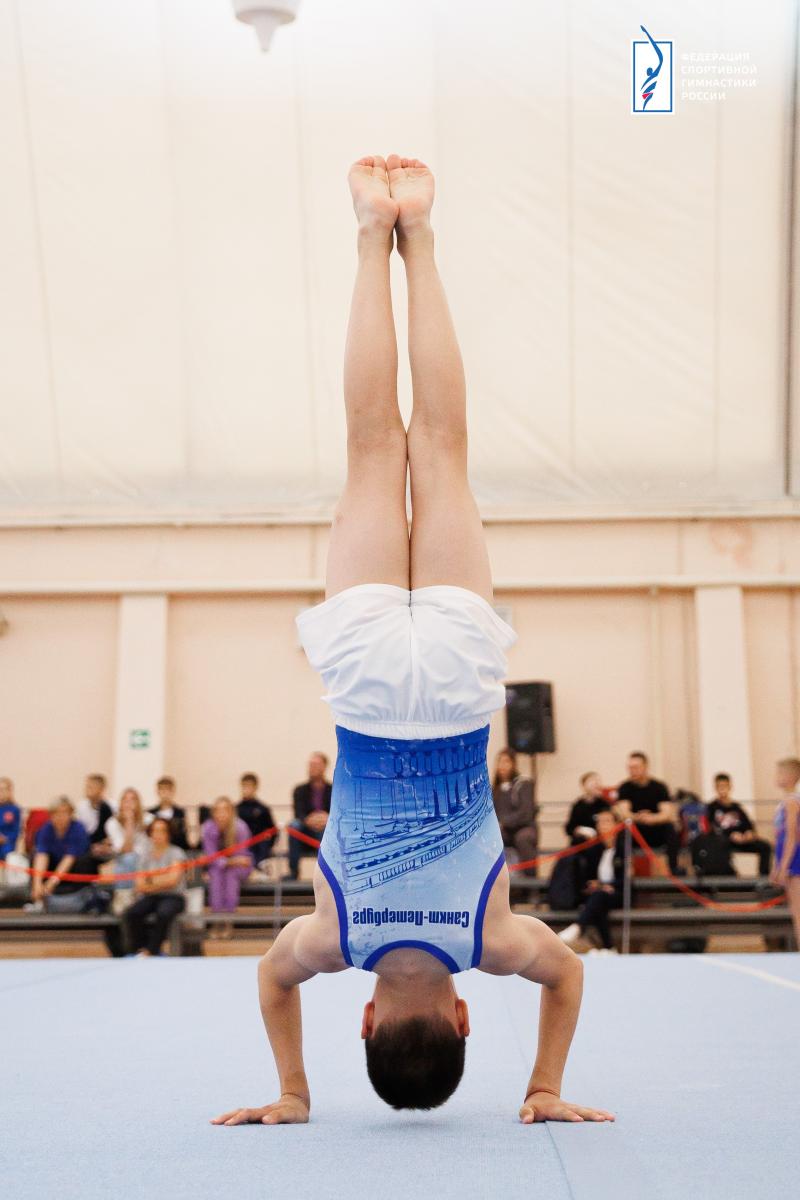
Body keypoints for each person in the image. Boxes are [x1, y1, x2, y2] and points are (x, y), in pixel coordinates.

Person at [212, 155, 613, 1129]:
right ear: (364, 1022)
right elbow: (270, 980)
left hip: (453, 692)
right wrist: (292, 1091)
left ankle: (417, 235)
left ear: (465, 1017)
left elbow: (566, 978)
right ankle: (371, 234)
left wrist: (544, 1085)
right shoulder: (330, 939)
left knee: (439, 445)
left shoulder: (494, 940)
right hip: (365, 692)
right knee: (370, 446)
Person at [558, 811, 624, 954]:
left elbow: (626, 879)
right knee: (597, 900)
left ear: (616, 825)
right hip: (598, 894)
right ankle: (609, 947)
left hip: (618, 892)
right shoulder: (595, 849)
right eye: (599, 822)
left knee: (598, 898)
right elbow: (585, 872)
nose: (602, 825)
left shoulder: (623, 848)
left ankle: (578, 928)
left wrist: (610, 886)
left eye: (607, 821)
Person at [124, 817, 186, 956]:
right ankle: (139, 949)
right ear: (150, 834)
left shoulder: (176, 853)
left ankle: (152, 950)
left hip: (174, 896)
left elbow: (173, 881)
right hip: (151, 896)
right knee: (133, 912)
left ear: (168, 833)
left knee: (163, 912)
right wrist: (160, 881)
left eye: (162, 831)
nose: (158, 834)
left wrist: (150, 880)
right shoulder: (145, 855)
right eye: (154, 831)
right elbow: (139, 884)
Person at [616, 751, 681, 874]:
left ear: (645, 767)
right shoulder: (625, 788)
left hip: (656, 830)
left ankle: (673, 868)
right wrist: (639, 817)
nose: (632, 771)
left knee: (670, 828)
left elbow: (666, 813)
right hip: (636, 831)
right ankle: (622, 871)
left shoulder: (659, 787)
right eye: (630, 768)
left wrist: (651, 818)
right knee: (622, 832)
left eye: (635, 767)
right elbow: (624, 813)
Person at [27, 797, 92, 912]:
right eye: (56, 813)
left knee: (84, 860)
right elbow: (42, 855)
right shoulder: (46, 829)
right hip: (53, 866)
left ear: (71, 814)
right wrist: (37, 883)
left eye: (64, 813)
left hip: (71, 870)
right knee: (34, 857)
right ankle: (39, 898)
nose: (60, 817)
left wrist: (52, 882)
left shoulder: (78, 829)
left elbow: (69, 858)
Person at [202, 796, 254, 937]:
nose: (221, 814)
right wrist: (227, 862)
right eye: (217, 810)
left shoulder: (241, 827)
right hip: (219, 867)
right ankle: (216, 920)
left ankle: (228, 921)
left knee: (230, 876)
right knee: (216, 876)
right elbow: (211, 855)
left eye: (225, 810)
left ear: (231, 812)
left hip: (239, 868)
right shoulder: (208, 828)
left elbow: (242, 857)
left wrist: (227, 862)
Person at [706, 773, 771, 876]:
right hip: (724, 841)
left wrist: (749, 833)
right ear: (715, 788)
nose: (722, 789)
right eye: (719, 786)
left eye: (725, 786)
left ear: (730, 787)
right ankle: (729, 875)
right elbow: (712, 828)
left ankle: (764, 876)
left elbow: (748, 825)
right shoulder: (711, 807)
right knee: (721, 843)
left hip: (742, 839)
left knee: (765, 846)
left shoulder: (737, 807)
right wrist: (730, 835)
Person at [491, 748, 539, 876]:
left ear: (513, 763)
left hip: (524, 827)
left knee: (523, 838)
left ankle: (530, 880)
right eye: (499, 762)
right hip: (504, 830)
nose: (502, 765)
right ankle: (496, 880)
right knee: (491, 839)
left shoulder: (524, 784)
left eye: (506, 761)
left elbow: (526, 813)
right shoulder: (494, 789)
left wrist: (504, 822)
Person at [286, 753, 332, 881]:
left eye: (316, 765)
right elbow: (298, 813)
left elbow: (336, 813)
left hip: (325, 829)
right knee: (294, 826)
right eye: (310, 765)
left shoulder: (334, 789)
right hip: (305, 831)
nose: (312, 768)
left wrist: (327, 819)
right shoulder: (299, 790)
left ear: (324, 767)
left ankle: (327, 874)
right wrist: (310, 820)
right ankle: (294, 872)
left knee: (329, 829)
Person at [103, 788, 151, 901]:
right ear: (120, 803)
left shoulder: (149, 819)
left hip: (148, 860)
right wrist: (129, 822)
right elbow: (126, 849)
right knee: (128, 859)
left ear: (139, 803)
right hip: (125, 860)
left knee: (128, 860)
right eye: (125, 800)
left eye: (133, 800)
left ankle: (125, 898)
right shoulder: (112, 823)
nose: (129, 803)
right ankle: (126, 898)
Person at [772, 757, 800, 948]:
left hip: (795, 860)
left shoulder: (792, 802)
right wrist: (777, 865)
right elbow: (780, 837)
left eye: (779, 773)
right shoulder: (785, 802)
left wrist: (784, 866)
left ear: (789, 776)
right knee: (795, 911)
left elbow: (792, 836)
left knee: (798, 911)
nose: (776, 777)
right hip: (789, 859)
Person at [237, 773, 277, 868]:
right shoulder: (236, 809)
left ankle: (261, 867)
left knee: (263, 842)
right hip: (242, 845)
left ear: (255, 787)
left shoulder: (263, 809)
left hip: (260, 847)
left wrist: (267, 843)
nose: (246, 789)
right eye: (244, 786)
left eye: (249, 786)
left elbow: (273, 831)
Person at [75, 773, 114, 863]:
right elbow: (80, 831)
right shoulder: (81, 806)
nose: (87, 790)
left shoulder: (111, 806)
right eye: (87, 786)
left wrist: (105, 845)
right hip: (87, 844)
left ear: (101, 789)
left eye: (91, 787)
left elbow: (113, 832)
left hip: (106, 846)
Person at [564, 772, 613, 844]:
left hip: (600, 842)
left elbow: (611, 824)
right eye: (592, 781)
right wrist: (580, 830)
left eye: (598, 781)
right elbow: (569, 828)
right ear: (584, 786)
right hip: (581, 842)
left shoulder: (604, 804)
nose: (596, 784)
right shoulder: (578, 805)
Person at [146, 776, 189, 850]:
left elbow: (183, 837)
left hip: (175, 848)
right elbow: (148, 835)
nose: (165, 793)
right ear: (158, 792)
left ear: (172, 792)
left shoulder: (180, 813)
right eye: (162, 789)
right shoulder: (150, 813)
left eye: (167, 789)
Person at [0, 776, 21, 863]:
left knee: (10, 856)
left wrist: (4, 839)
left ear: (9, 791)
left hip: (7, 844)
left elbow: (16, 832)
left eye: (3, 789)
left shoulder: (15, 809)